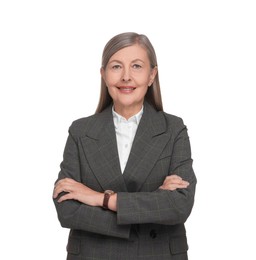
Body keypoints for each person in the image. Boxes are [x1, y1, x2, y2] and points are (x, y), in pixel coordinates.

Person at [53, 32, 197, 260]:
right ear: (103, 74)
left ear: (152, 75)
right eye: (116, 66)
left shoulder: (173, 129)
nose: (126, 77)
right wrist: (150, 204)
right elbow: (67, 208)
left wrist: (100, 198)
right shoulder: (80, 131)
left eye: (137, 66)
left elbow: (180, 204)